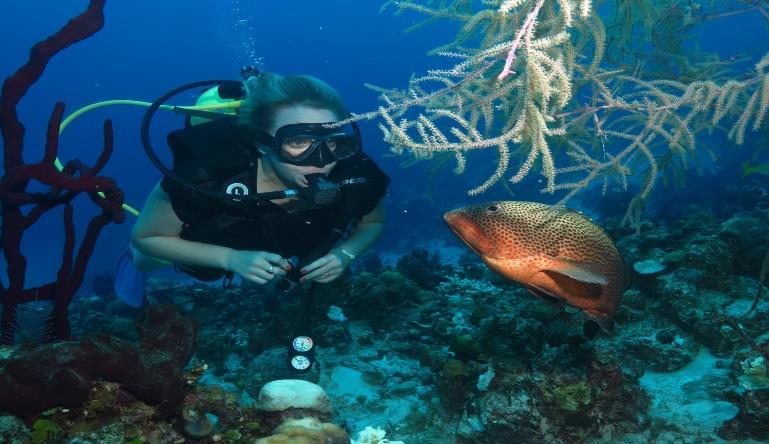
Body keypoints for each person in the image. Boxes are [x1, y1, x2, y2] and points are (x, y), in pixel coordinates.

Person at [116, 72, 389, 303]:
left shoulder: (353, 170)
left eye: (331, 142)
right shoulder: (205, 176)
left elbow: (373, 221)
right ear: (261, 143)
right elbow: (147, 238)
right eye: (297, 142)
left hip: (285, 240)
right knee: (150, 261)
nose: (321, 161)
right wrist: (230, 259)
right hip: (212, 242)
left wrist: (345, 253)